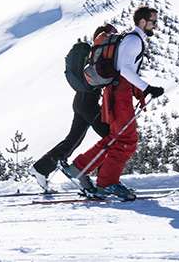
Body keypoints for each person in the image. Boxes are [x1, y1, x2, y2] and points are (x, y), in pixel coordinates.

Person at [68, 7, 166, 201]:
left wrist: (141, 90)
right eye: (153, 21)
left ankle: (81, 167)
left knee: (117, 137)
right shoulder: (133, 41)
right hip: (119, 95)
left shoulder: (132, 39)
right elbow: (125, 71)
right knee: (126, 140)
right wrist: (147, 88)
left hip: (118, 93)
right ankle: (107, 182)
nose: (156, 25)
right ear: (142, 22)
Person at [30, 24, 116, 194]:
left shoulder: (92, 54)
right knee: (111, 138)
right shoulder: (98, 55)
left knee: (73, 140)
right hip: (88, 102)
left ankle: (41, 168)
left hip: (80, 100)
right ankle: (99, 179)